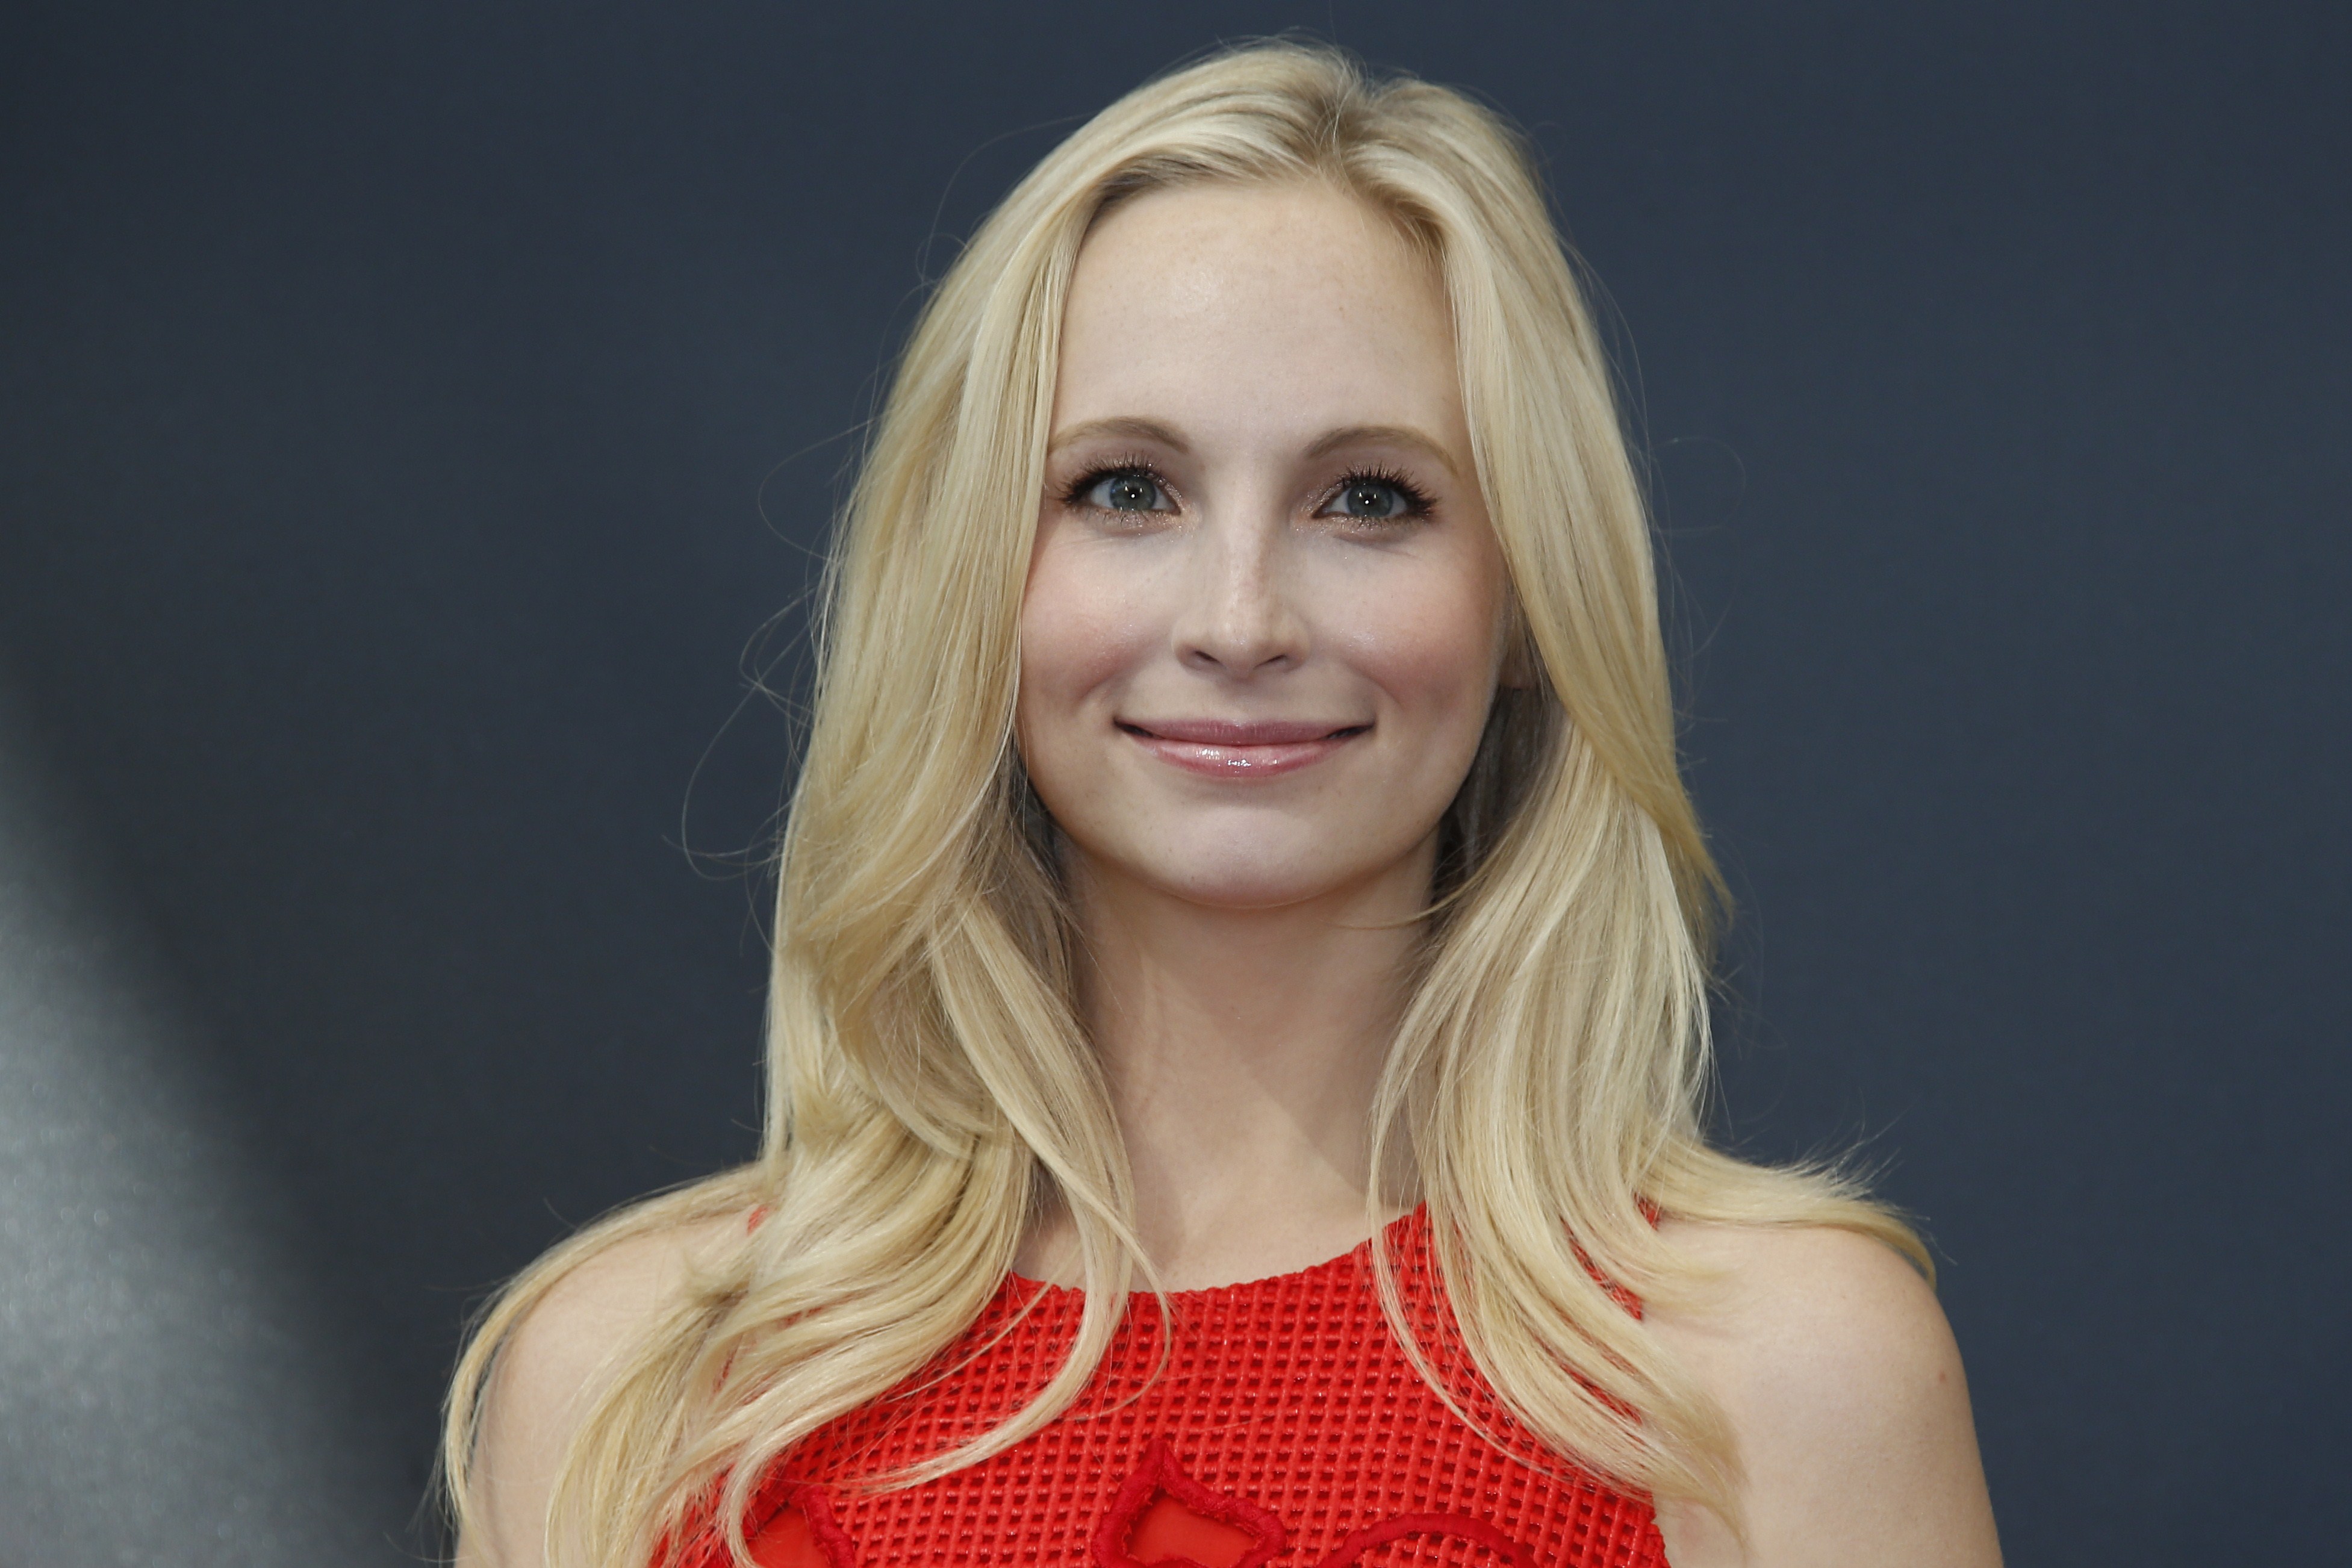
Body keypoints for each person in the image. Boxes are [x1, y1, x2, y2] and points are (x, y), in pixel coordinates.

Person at [444, 40, 2002, 1568]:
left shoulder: (1766, 1369)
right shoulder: (632, 1383)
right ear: (973, 579)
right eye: (1126, 488)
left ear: (1524, 602)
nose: (1240, 619)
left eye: (1367, 498)